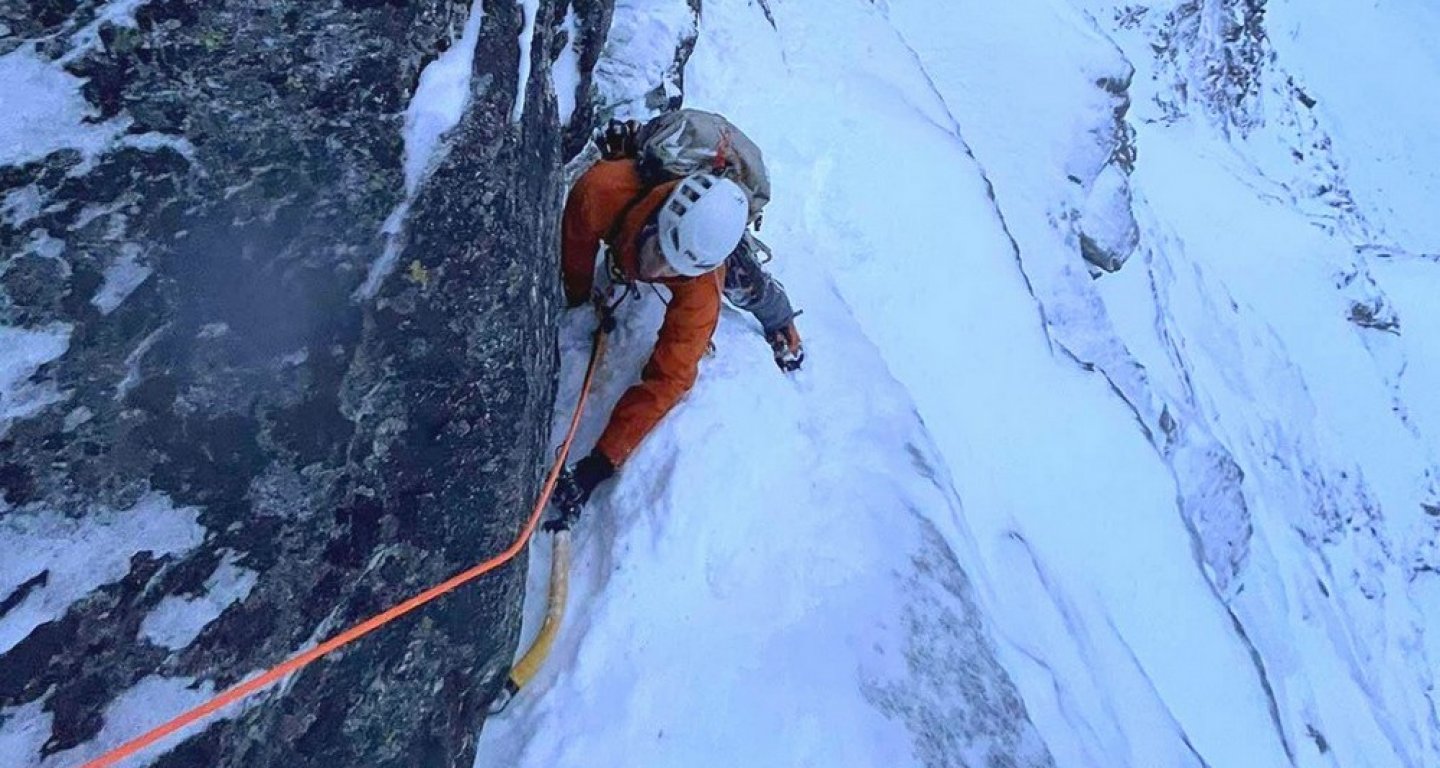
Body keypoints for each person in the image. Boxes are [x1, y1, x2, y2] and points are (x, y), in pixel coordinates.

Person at [547, 117, 804, 528]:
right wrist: (578, 300)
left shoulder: (702, 284)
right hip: (654, 187)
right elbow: (576, 249)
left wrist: (601, 462)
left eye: (673, 269)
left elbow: (671, 377)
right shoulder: (601, 191)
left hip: (712, 236)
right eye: (659, 251)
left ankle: (782, 320)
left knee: (745, 283)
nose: (657, 270)